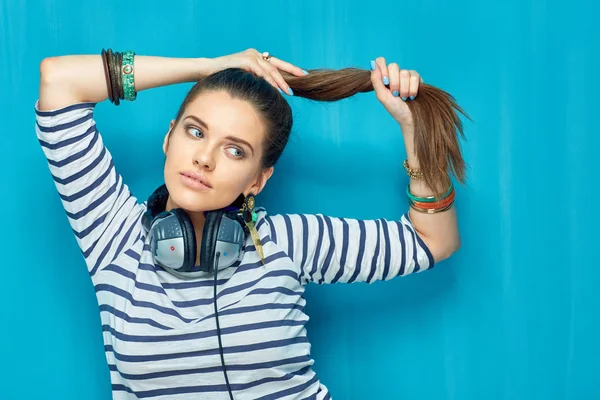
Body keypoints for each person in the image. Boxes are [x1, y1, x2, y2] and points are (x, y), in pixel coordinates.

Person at [36, 48, 466, 399]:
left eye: (235, 150)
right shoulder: (113, 235)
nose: (204, 158)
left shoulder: (287, 242)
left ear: (259, 179)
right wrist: (206, 68)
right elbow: (60, 81)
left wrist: (415, 131)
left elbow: (433, 240)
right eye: (196, 131)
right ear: (169, 137)